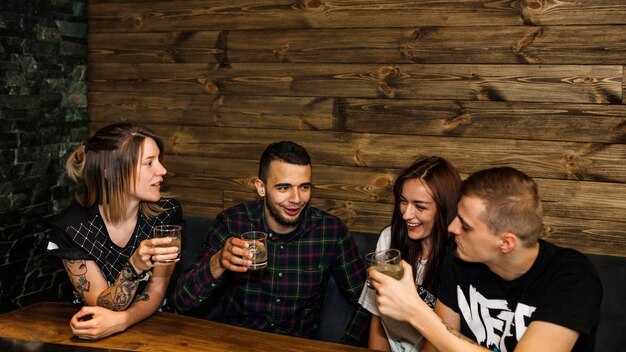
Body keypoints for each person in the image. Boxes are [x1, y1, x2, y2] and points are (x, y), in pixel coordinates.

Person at [370, 167, 602, 352]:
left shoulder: (572, 279)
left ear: (506, 243)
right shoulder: (459, 258)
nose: (452, 228)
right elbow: (438, 345)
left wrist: (415, 311)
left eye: (466, 225)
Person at [173, 141, 370, 346]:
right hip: (236, 343)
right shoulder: (233, 222)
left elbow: (367, 301)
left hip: (296, 346)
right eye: (284, 187)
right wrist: (218, 262)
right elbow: (182, 301)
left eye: (304, 187)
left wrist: (347, 345)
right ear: (261, 187)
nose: (296, 198)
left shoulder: (330, 231)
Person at [48, 123, 183, 339]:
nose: (162, 170)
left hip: (151, 323)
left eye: (158, 160)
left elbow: (156, 290)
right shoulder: (71, 226)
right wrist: (134, 266)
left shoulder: (167, 214)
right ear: (110, 172)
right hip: (93, 327)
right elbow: (103, 305)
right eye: (149, 163)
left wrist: (123, 321)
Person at [359, 156, 461, 351]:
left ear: (445, 209)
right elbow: (379, 318)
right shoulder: (389, 239)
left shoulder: (458, 256)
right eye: (403, 201)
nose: (406, 214)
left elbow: (444, 338)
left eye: (420, 206)